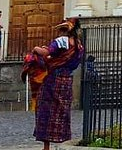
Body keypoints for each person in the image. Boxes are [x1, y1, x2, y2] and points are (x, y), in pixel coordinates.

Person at [32, 17, 84, 150]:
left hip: (53, 79)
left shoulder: (62, 41)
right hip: (66, 81)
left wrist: (36, 49)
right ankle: (59, 137)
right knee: (61, 110)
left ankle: (46, 146)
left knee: (45, 109)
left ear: (64, 30)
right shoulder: (79, 46)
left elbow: (46, 52)